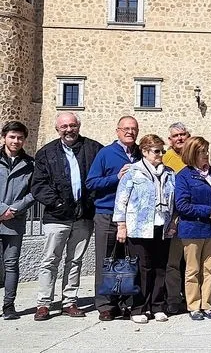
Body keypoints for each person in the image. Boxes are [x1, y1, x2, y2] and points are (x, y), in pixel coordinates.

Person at [31, 112, 102, 321]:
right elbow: (38, 185)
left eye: (72, 125)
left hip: (83, 216)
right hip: (57, 216)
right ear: (57, 129)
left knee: (75, 261)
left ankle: (69, 301)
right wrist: (57, 203)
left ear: (78, 126)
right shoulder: (46, 152)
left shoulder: (93, 148)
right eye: (64, 126)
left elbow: (100, 177)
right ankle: (43, 303)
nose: (69, 130)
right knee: (50, 260)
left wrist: (90, 202)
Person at [113, 134, 174, 324]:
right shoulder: (133, 172)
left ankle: (157, 306)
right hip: (139, 227)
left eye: (162, 151)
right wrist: (121, 225)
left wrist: (173, 222)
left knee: (160, 267)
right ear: (145, 152)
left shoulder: (169, 173)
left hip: (162, 226)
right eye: (156, 151)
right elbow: (121, 200)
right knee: (142, 268)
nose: (160, 155)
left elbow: (173, 200)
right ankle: (138, 307)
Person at [86, 115, 141, 321]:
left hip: (133, 216)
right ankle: (106, 305)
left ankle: (126, 302)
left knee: (128, 260)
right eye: (125, 128)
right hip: (107, 214)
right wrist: (116, 177)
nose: (130, 132)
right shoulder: (105, 153)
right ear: (117, 131)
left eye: (133, 129)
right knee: (106, 259)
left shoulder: (140, 154)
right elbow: (91, 183)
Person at [174, 137, 211, 321]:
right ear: (193, 153)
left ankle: (207, 304)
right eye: (202, 151)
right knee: (193, 270)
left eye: (207, 151)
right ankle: (194, 306)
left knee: (209, 269)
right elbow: (182, 205)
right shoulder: (184, 176)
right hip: (192, 229)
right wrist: (208, 212)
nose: (207, 155)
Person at [0, 121, 34, 320]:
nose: (16, 141)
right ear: (4, 137)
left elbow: (34, 192)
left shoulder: (30, 164)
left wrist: (14, 209)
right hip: (4, 214)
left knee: (11, 264)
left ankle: (9, 305)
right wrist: (2, 209)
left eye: (20, 137)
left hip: (14, 220)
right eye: (12, 137)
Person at [162, 122, 190, 315]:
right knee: (173, 262)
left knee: (191, 262)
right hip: (174, 217)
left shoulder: (194, 156)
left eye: (183, 134)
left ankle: (191, 296)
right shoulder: (165, 159)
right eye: (176, 136)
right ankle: (173, 298)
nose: (180, 138)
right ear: (170, 140)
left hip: (192, 216)